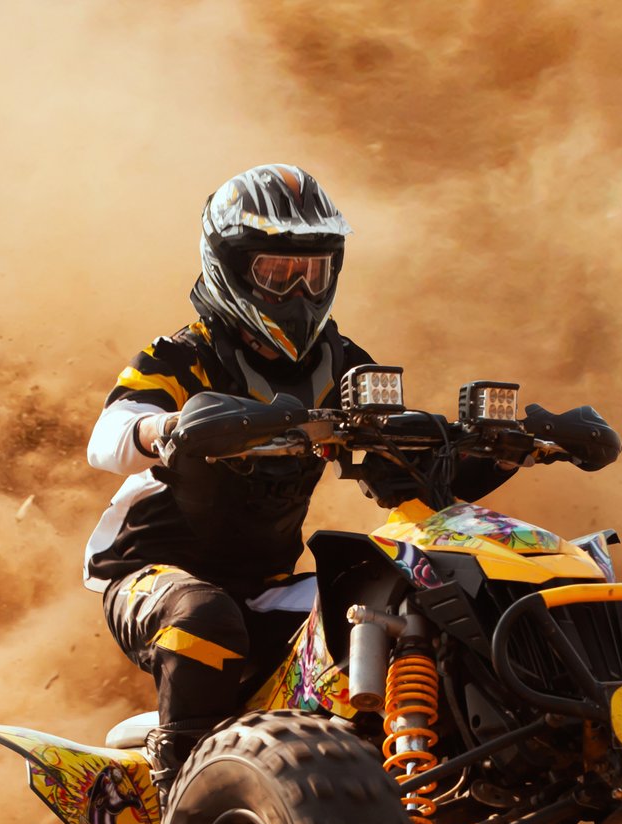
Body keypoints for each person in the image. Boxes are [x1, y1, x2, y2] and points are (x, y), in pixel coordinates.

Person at [84, 164, 513, 777]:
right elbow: (107, 439)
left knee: (405, 597)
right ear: (230, 267)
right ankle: (185, 792)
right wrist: (167, 429)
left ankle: (417, 778)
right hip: (148, 576)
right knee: (203, 614)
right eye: (276, 272)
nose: (298, 294)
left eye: (312, 272)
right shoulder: (183, 354)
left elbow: (405, 470)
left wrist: (494, 451)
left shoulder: (342, 363)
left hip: (267, 582)